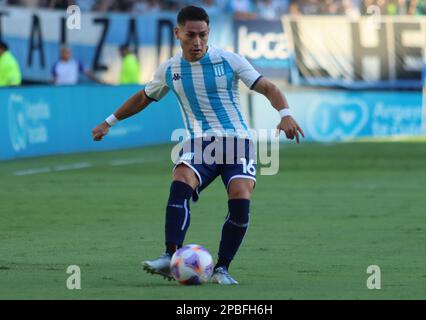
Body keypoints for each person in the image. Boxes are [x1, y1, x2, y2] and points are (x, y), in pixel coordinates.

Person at [91, 6, 304, 285]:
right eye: (190, 35)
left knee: (240, 197)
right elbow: (143, 97)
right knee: (181, 177)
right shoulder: (170, 69)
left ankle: (222, 268)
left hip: (237, 141)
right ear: (177, 33)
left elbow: (268, 88)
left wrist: (285, 114)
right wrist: (109, 122)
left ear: (208, 33)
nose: (197, 42)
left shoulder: (228, 60)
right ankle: (170, 255)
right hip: (199, 143)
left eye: (202, 35)